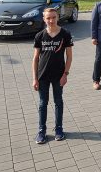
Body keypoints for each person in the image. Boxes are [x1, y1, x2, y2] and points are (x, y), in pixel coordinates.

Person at [32, 8, 73, 144]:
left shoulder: (65, 34)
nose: (51, 20)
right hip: (42, 75)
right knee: (43, 103)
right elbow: (35, 59)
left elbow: (69, 56)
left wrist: (65, 74)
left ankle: (59, 129)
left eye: (53, 17)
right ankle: (41, 130)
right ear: (44, 19)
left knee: (58, 102)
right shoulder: (39, 36)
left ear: (57, 17)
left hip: (58, 76)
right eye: (48, 18)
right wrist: (35, 78)